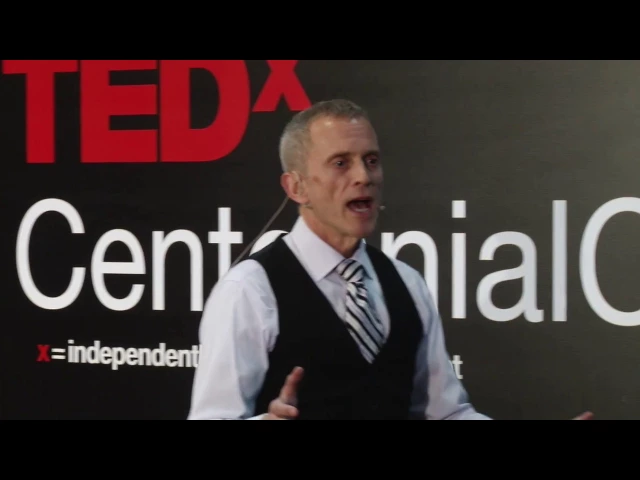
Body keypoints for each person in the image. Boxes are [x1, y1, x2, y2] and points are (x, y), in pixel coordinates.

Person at [187, 99, 593, 420]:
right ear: (296, 187)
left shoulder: (406, 284)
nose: (364, 177)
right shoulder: (249, 292)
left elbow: (446, 413)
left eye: (371, 160)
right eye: (341, 163)